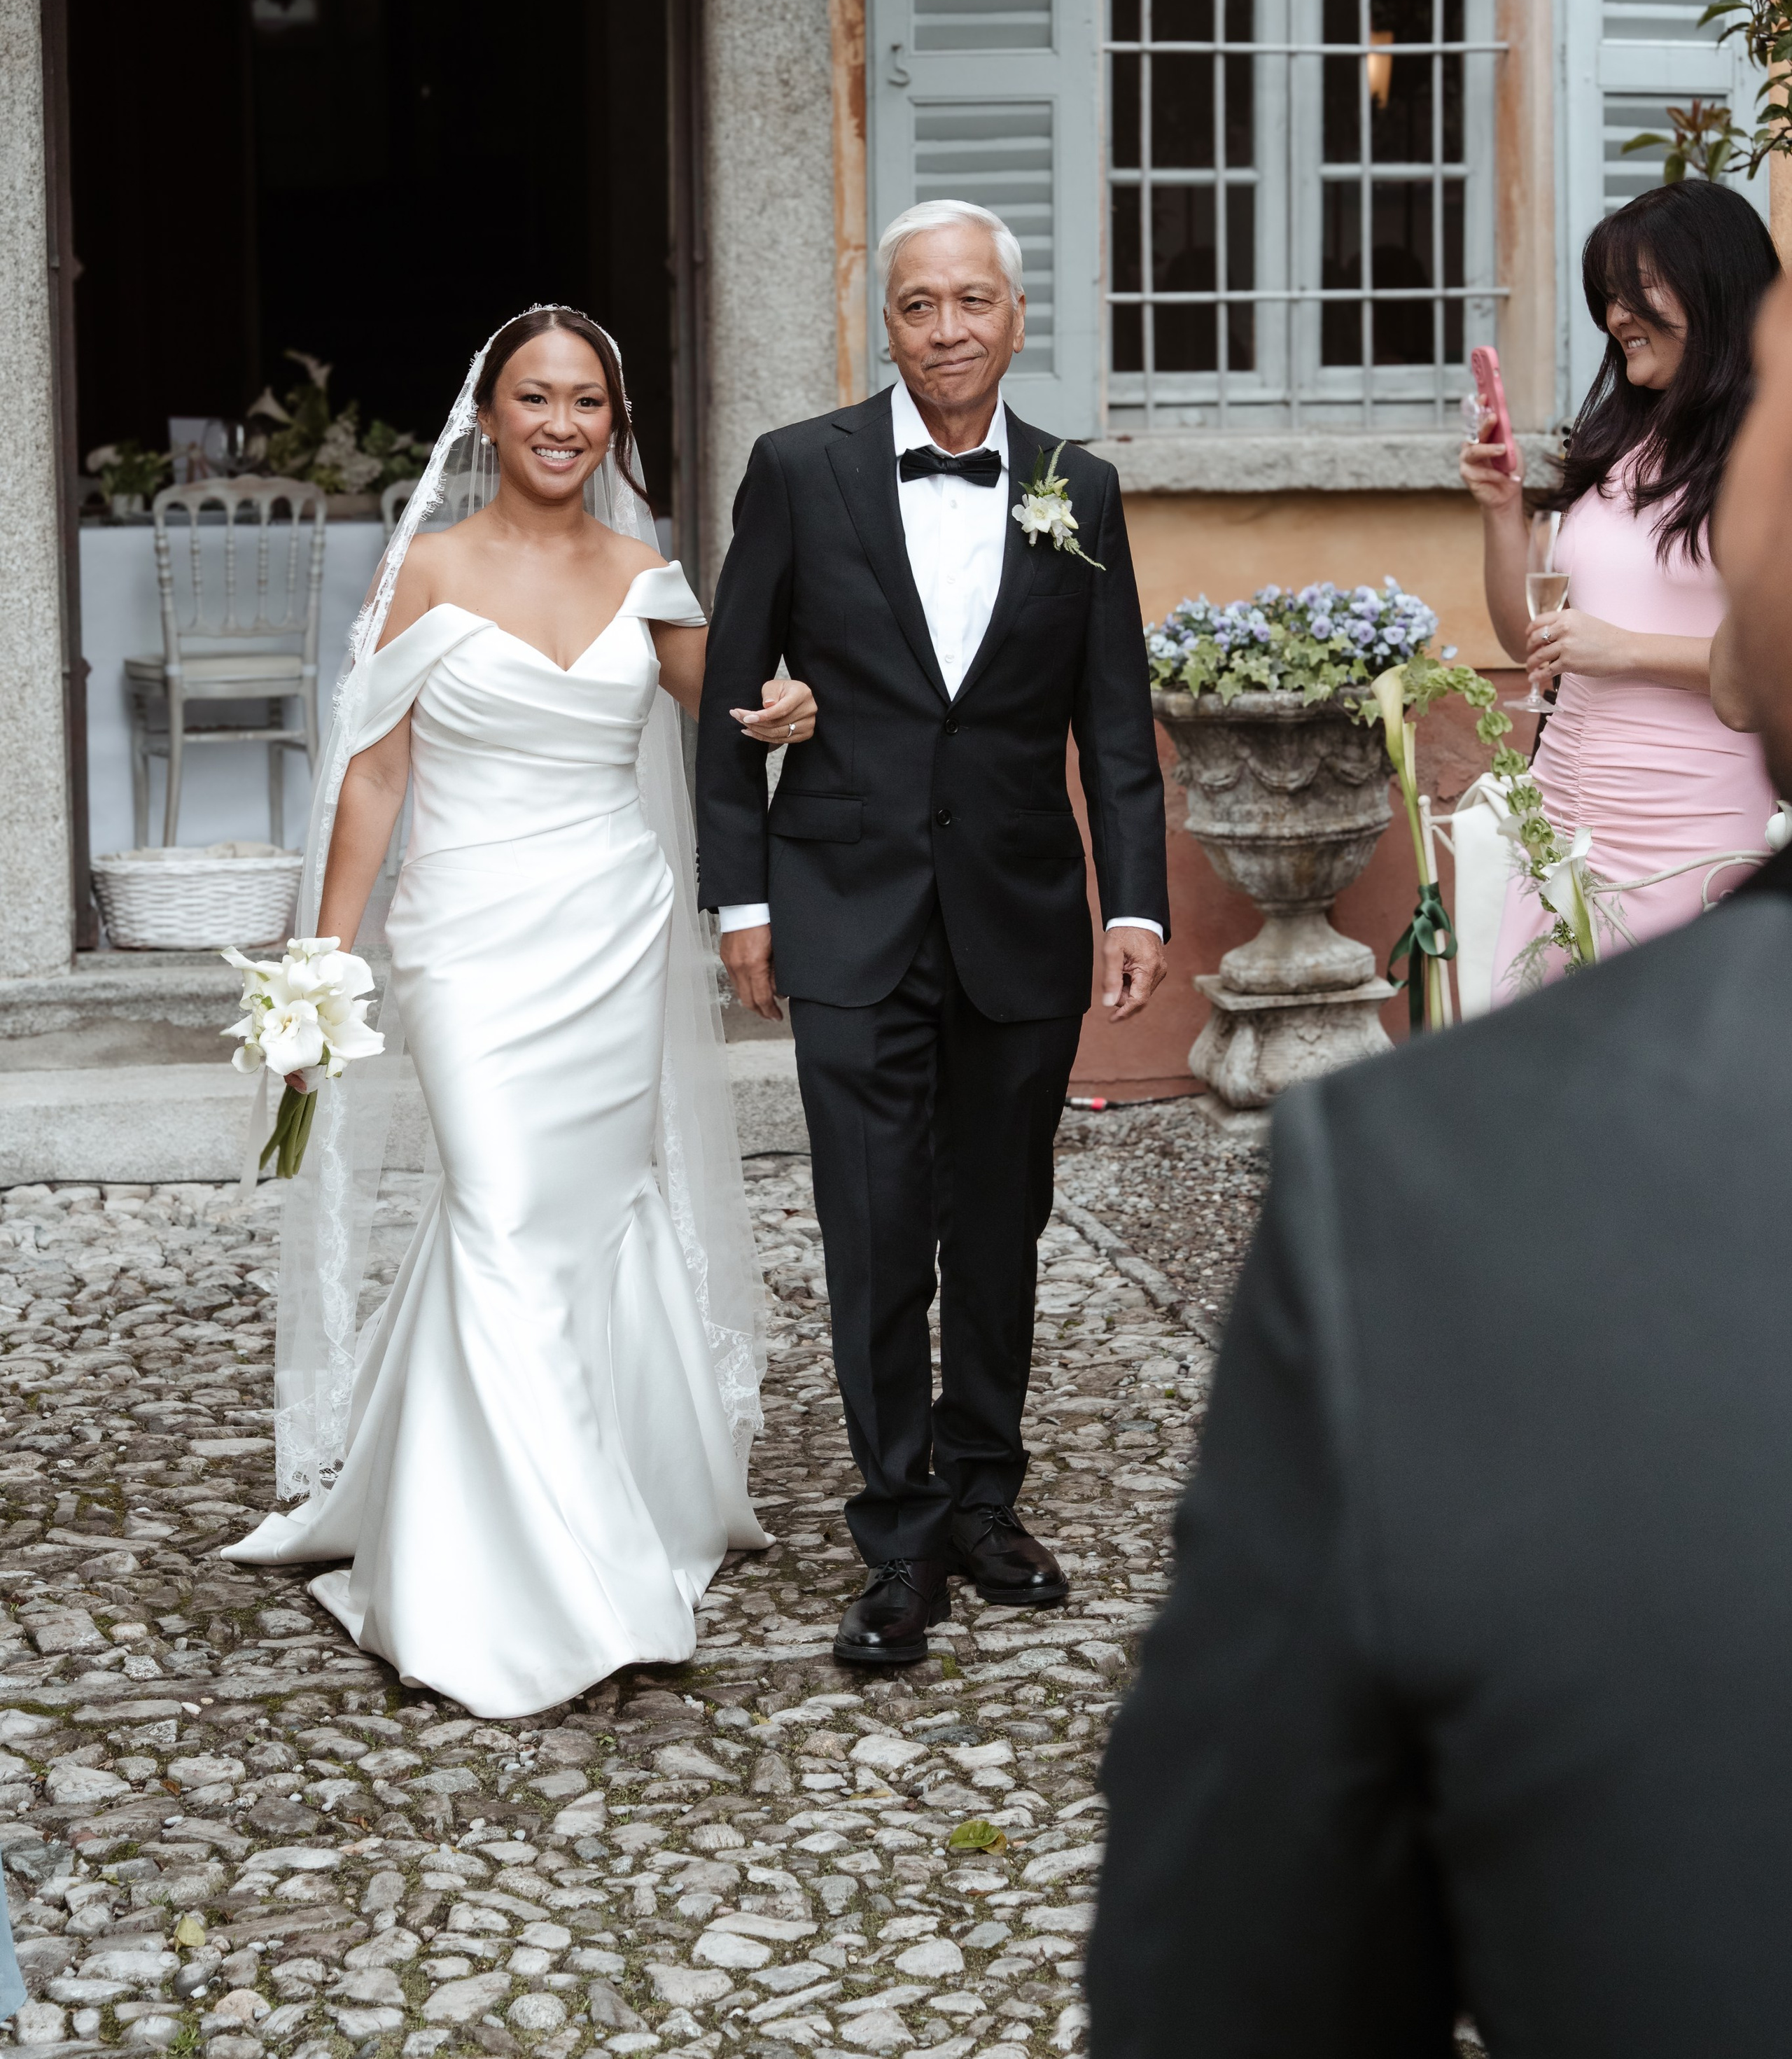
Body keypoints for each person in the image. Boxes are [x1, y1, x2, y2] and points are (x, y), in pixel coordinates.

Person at [1087, 265, 1792, 2055]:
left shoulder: (1435, 1195)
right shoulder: (1618, 442)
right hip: (1585, 808)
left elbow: (1238, 1979)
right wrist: (1502, 515)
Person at [226, 307, 816, 1718]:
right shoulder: (423, 572)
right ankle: (572, 1591)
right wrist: (321, 970)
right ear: (486, 415)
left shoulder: (649, 576)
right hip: (469, 948)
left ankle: (505, 1512)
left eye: (587, 404)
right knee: (498, 1213)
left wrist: (791, 704)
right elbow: (372, 782)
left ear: (615, 424)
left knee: (569, 1227)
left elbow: (733, 717)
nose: (560, 425)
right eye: (533, 399)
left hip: (609, 940)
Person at [695, 199, 1170, 1667]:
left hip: (1019, 920)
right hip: (844, 913)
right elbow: (729, 700)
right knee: (875, 1228)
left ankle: (983, 1496)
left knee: (1002, 1226)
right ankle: (894, 1532)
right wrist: (745, 902)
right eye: (918, 305)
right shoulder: (798, 471)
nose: (947, 328)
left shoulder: (1078, 492)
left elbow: (1112, 722)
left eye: (972, 302)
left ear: (1014, 318)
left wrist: (1135, 896)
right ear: (883, 321)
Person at [1462, 179, 1776, 993]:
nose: (1614, 318)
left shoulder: (1768, 459)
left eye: (1635, 291)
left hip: (1691, 825)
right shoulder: (1617, 446)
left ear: (1713, 284)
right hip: (1559, 814)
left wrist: (1624, 650)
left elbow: (1769, 673)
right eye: (1605, 297)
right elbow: (1527, 643)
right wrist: (1502, 512)